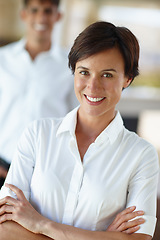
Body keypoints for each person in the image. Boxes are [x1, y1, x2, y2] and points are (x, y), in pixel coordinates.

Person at [0, 21, 159, 240]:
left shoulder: (141, 155)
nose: (93, 87)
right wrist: (102, 237)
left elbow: (138, 239)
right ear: (73, 72)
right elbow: (5, 228)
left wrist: (40, 224)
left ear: (127, 79)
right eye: (84, 72)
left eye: (107, 75)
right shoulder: (37, 135)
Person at [0, 0, 78, 186]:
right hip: (3, 164)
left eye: (47, 11)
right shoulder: (3, 59)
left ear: (58, 16)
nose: (41, 17)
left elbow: (77, 118)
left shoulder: (70, 66)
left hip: (47, 169)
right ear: (24, 14)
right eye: (34, 10)